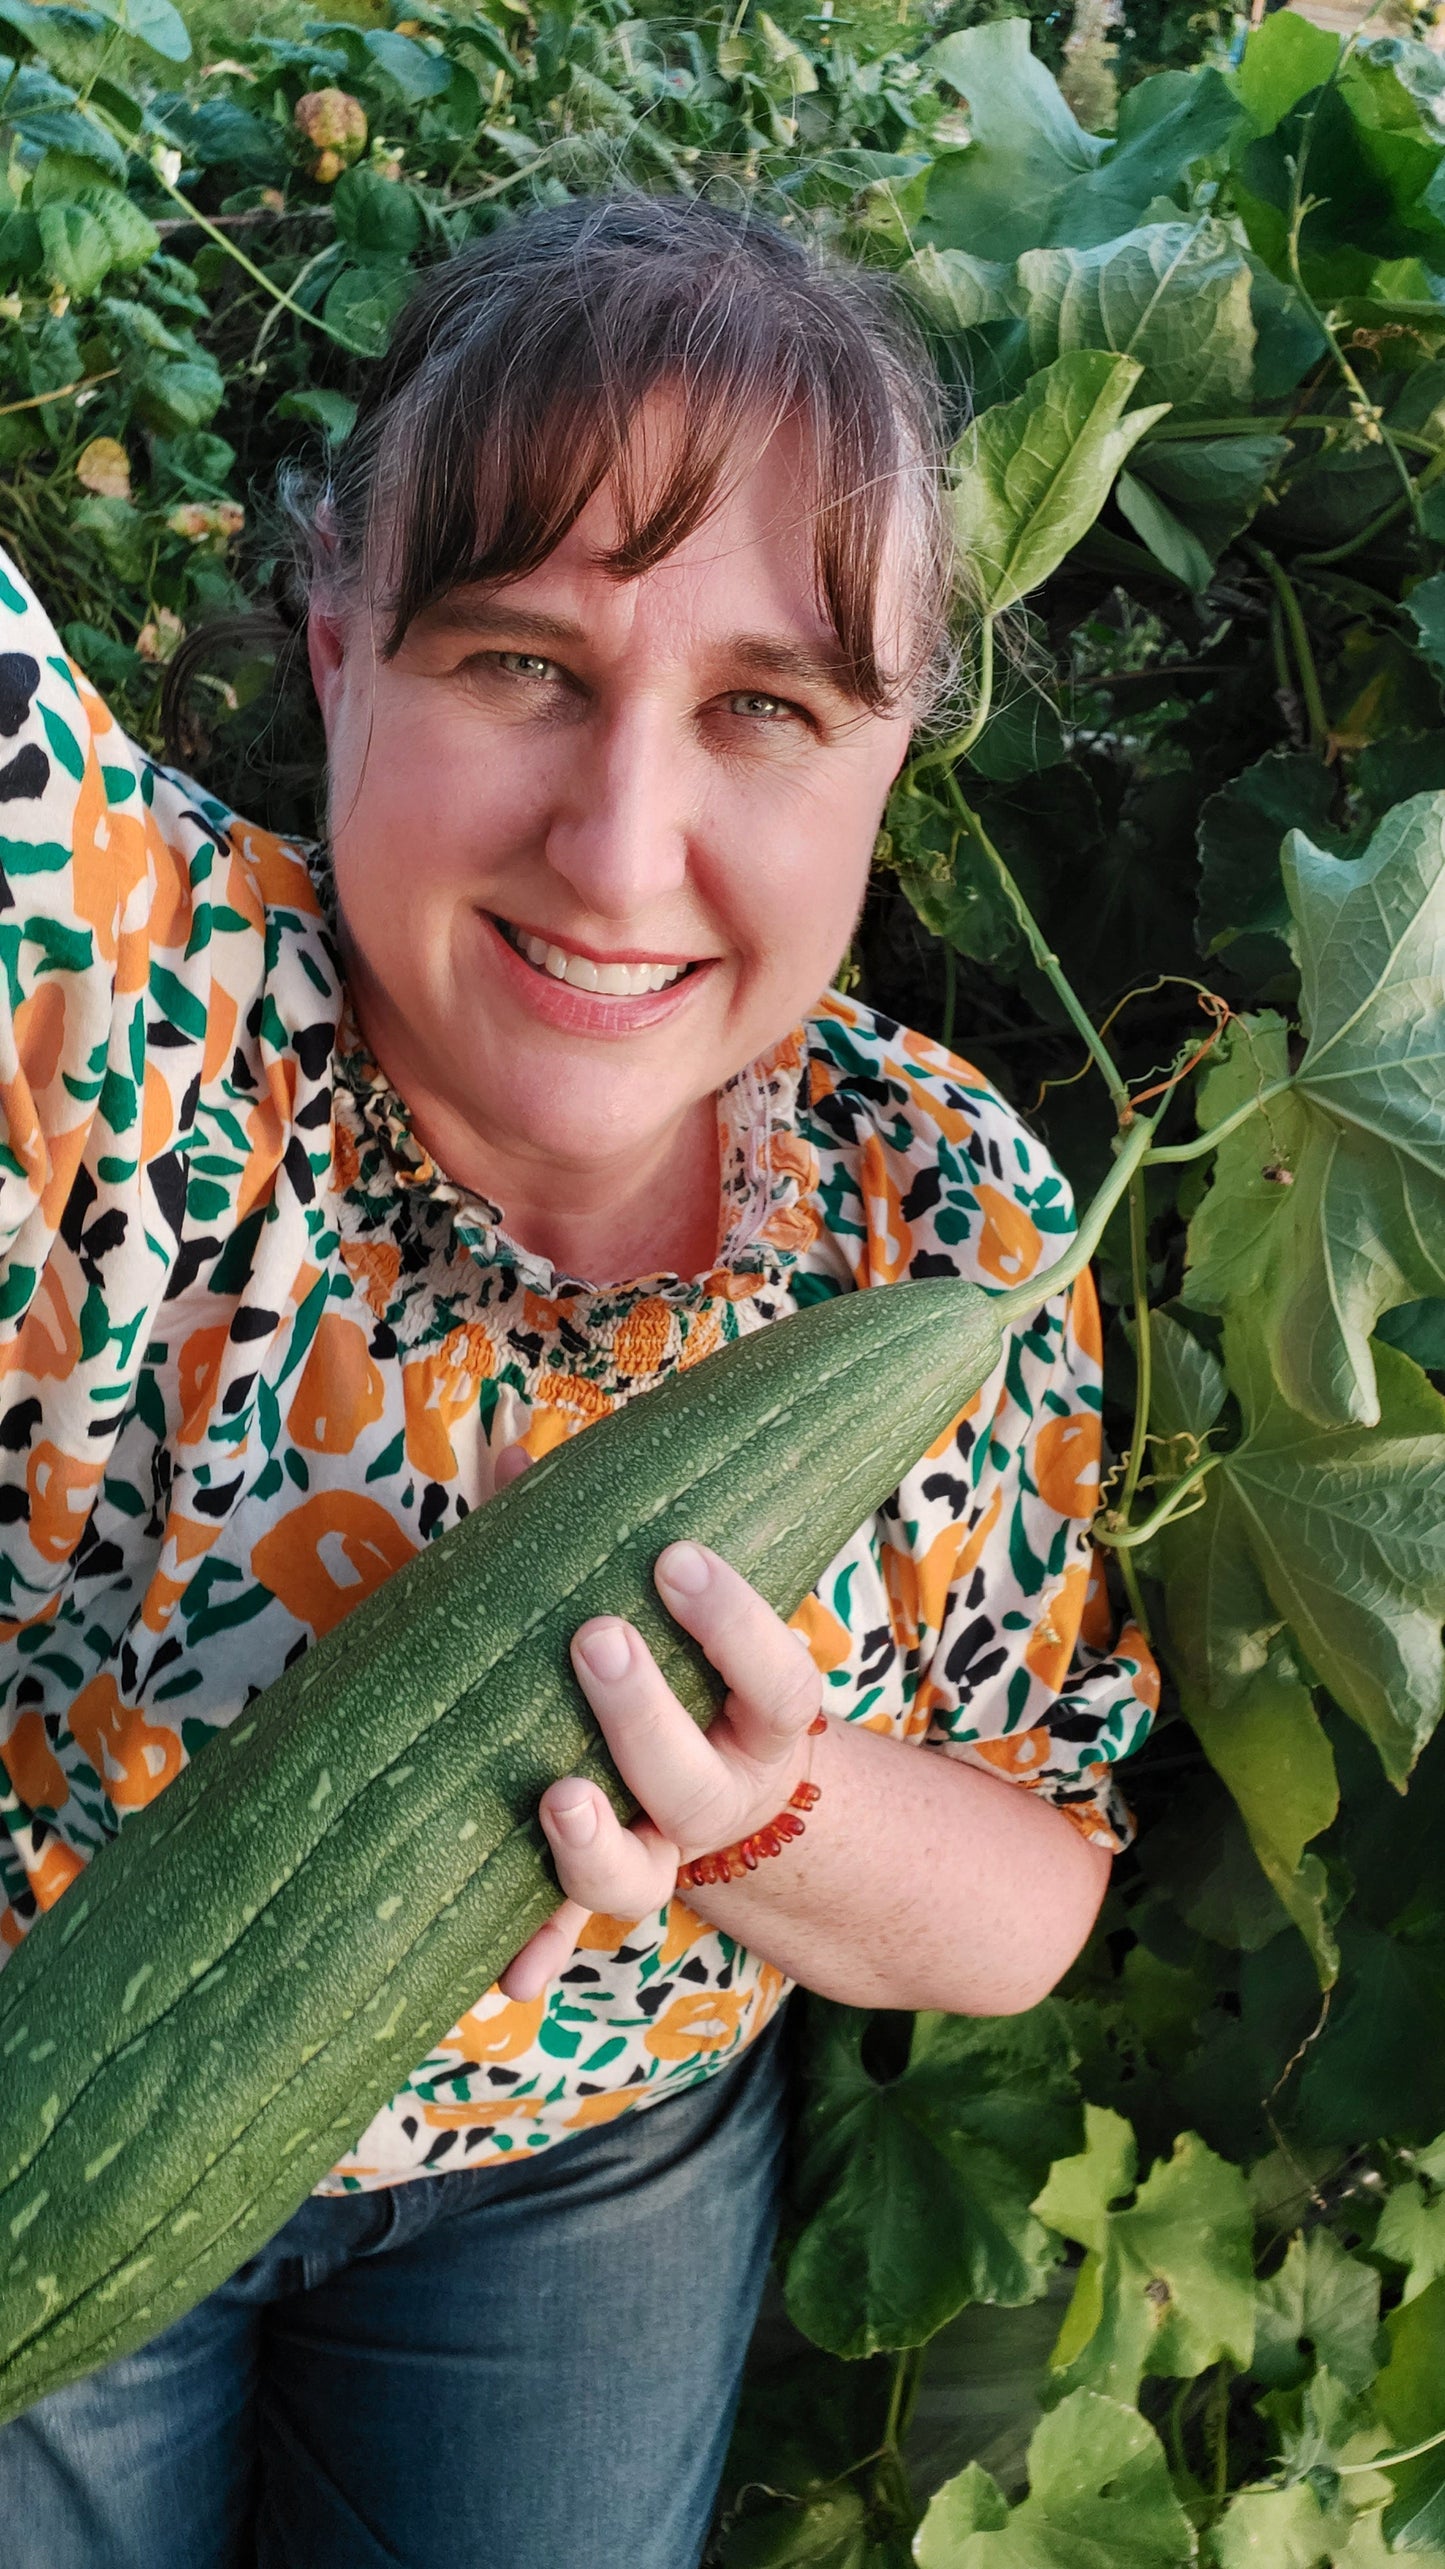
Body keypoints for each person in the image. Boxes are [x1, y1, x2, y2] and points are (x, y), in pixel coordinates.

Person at [0, 194, 1156, 2568]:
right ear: (335, 647)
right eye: (522, 661)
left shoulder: (943, 1225)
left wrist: (769, 1808)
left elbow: (1040, 1874)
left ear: (888, 763)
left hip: (585, 2159)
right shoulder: (115, 1013)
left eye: (763, 707)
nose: (622, 847)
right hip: (55, 2099)